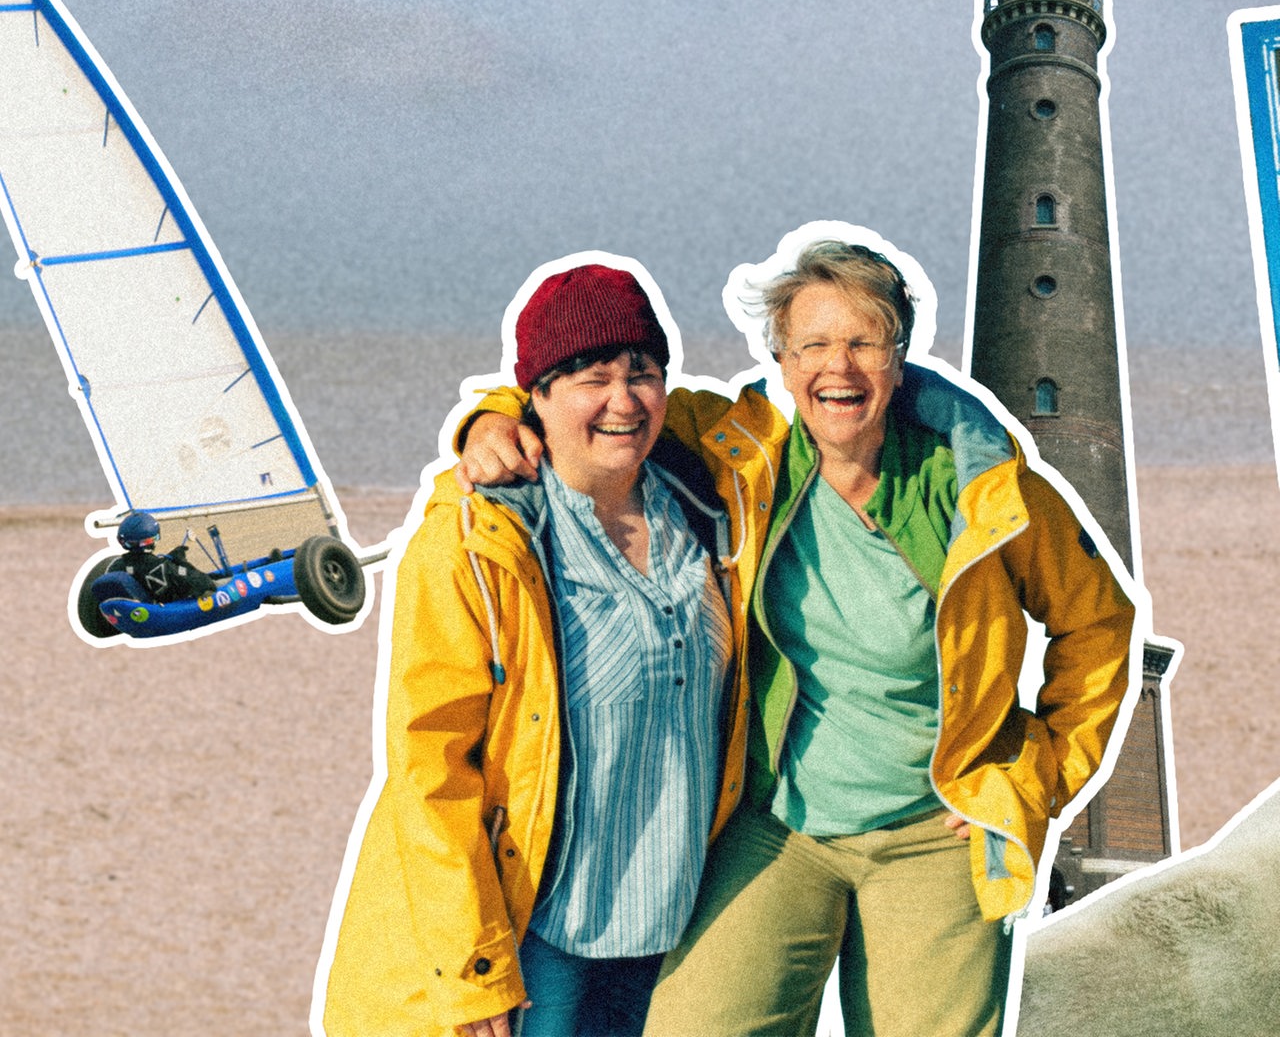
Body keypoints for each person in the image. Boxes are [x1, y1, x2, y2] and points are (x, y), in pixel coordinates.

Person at [458, 237, 1137, 1037]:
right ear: (779, 360)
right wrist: (490, 419)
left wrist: (1042, 774)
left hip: (933, 829)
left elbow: (1098, 623)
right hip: (777, 824)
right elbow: (597, 401)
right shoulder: (743, 453)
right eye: (812, 344)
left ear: (900, 356)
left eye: (863, 342)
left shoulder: (973, 487)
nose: (838, 369)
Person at [320, 262, 786, 1037]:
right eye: (590, 378)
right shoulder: (475, 541)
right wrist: (475, 970)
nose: (623, 400)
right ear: (537, 397)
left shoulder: (710, 498)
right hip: (538, 945)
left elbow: (832, 386)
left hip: (676, 936)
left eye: (642, 373)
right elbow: (429, 768)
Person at [106, 510, 217, 602]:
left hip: (137, 608)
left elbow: (145, 566)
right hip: (164, 610)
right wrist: (181, 562)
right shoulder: (165, 568)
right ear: (152, 539)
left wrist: (170, 558)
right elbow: (203, 582)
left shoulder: (116, 566)